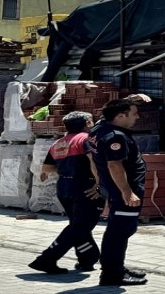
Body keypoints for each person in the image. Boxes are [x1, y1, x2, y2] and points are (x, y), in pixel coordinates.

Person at [28, 111, 103, 274]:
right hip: (85, 187)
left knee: (78, 226)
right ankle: (47, 258)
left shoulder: (57, 144)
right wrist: (100, 184)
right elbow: (93, 162)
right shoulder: (85, 139)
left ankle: (88, 258)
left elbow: (46, 170)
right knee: (81, 226)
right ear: (88, 123)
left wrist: (66, 168)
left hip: (64, 187)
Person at [87, 98, 148, 286]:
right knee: (120, 231)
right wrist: (127, 192)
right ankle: (112, 274)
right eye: (134, 113)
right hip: (123, 192)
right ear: (120, 116)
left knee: (117, 229)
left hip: (113, 188)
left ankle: (116, 268)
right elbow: (114, 164)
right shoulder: (115, 136)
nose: (137, 117)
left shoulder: (99, 128)